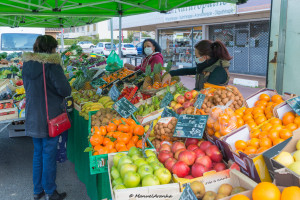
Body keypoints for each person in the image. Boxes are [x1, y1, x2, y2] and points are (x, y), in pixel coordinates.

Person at [22, 35, 71, 200]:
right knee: (49, 154)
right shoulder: (52, 65)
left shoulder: (27, 64)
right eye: (54, 48)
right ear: (50, 49)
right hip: (50, 118)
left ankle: (38, 191)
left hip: (33, 116)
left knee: (38, 153)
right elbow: (65, 90)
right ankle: (50, 191)